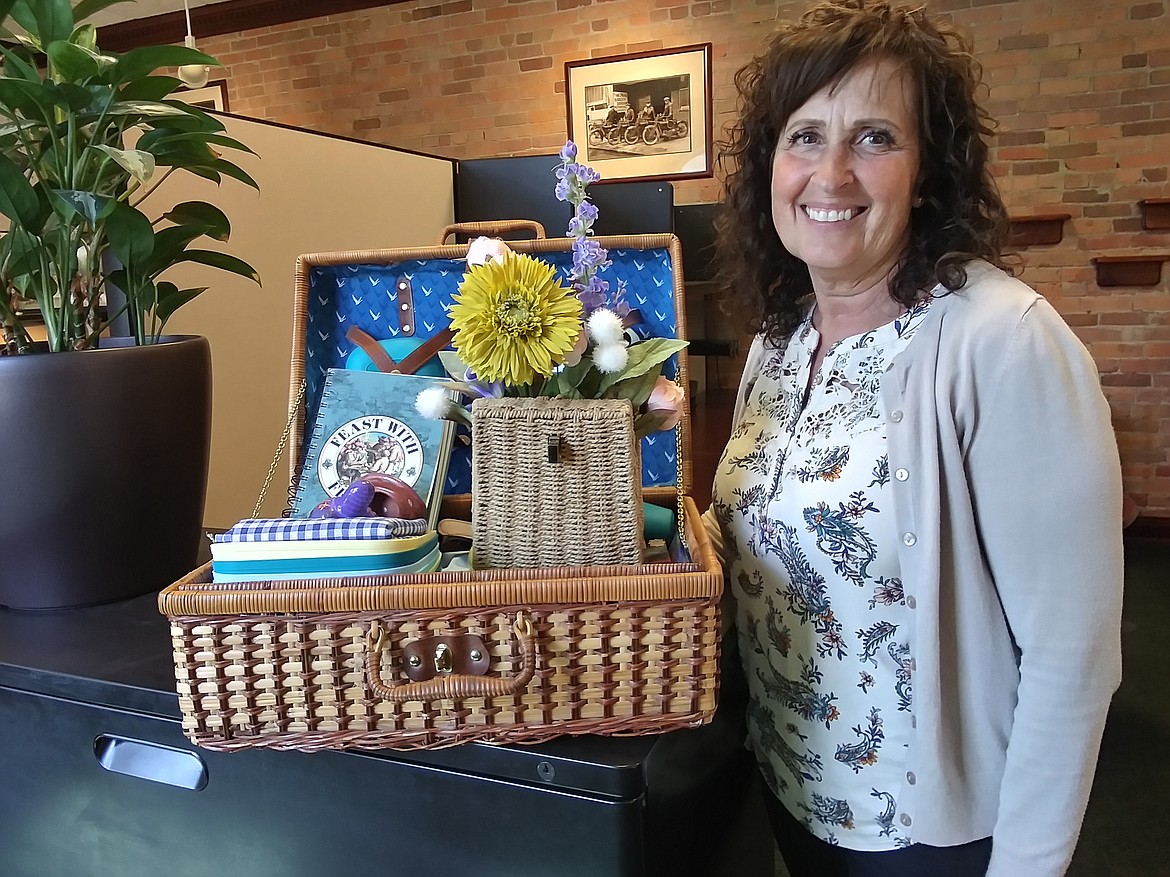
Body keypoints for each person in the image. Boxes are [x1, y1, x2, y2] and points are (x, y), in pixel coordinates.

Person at [704, 2, 1124, 876]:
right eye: (805, 136)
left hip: (926, 834)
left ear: (930, 173)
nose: (832, 173)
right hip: (790, 787)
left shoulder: (1002, 341)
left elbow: (1073, 654)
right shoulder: (777, 342)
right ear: (769, 167)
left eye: (875, 138)